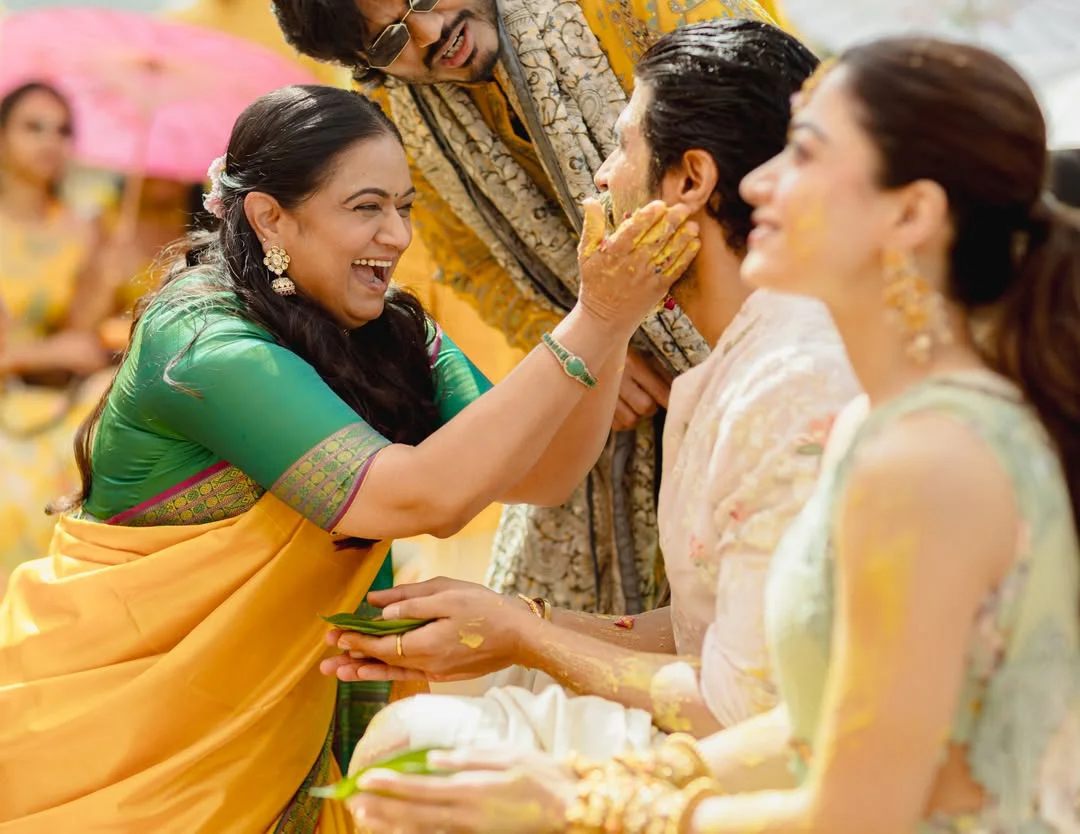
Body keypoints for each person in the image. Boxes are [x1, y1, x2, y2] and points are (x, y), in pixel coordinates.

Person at [344, 36, 1080, 834]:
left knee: (425, 759)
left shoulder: (915, 447)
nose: (762, 182)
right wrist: (534, 650)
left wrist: (579, 802)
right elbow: (803, 718)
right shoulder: (885, 419)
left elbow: (858, 807)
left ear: (910, 215)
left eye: (804, 155)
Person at [0, 85, 697, 832]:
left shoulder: (390, 333)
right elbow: (413, 497)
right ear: (271, 216)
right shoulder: (200, 343)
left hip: (291, 720)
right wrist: (594, 318)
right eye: (366, 208)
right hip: (126, 740)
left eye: (404, 207)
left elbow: (544, 472)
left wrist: (614, 326)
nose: (395, 236)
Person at [327, 20, 860, 764]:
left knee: (413, 749)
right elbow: (712, 633)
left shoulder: (791, 382)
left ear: (689, 180)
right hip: (729, 722)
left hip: (767, 765)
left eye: (620, 145)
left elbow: (745, 707)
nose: (601, 178)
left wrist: (526, 637)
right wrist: (515, 619)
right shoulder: (730, 370)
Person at [272, 0, 780, 616]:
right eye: (390, 41)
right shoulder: (396, 126)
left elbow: (784, 121)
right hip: (614, 399)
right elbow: (471, 265)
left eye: (424, 0)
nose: (432, 33)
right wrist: (592, 341)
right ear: (367, 69)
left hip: (775, 319)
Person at [0, 81, 113, 593]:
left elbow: (80, 344)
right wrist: (42, 351)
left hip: (46, 405)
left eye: (62, 130)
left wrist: (102, 279)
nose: (50, 141)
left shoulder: (83, 230)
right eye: (33, 127)